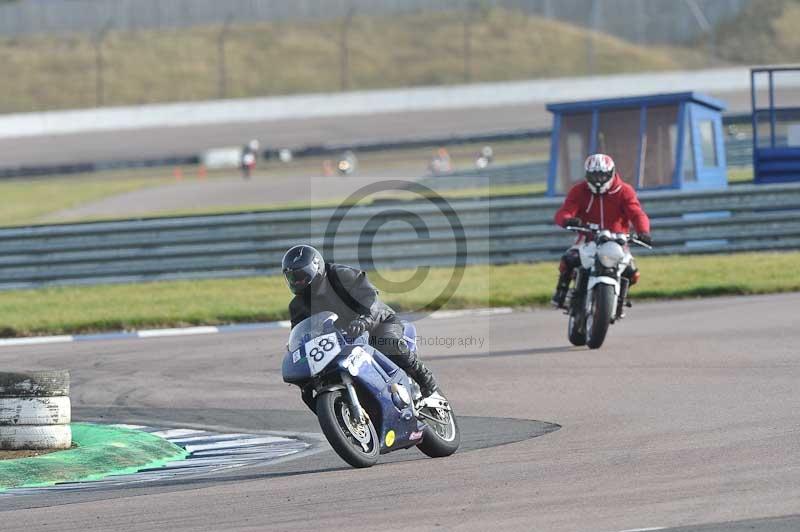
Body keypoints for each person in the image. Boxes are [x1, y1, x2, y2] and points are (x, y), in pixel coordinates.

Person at [281, 244, 439, 397]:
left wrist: (364, 320)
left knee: (387, 343)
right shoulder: (297, 306)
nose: (297, 282)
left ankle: (425, 380)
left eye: (301, 276)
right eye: (292, 278)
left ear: (316, 269)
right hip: (342, 340)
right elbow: (301, 336)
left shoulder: (340, 275)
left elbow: (370, 297)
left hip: (378, 322)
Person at [551, 153, 652, 308]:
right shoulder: (579, 191)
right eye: (594, 176)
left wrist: (643, 231)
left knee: (632, 273)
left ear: (611, 173)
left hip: (619, 241)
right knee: (569, 259)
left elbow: (637, 213)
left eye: (602, 175)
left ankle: (619, 299)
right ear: (587, 175)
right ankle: (561, 292)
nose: (598, 180)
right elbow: (565, 211)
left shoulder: (624, 191)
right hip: (588, 238)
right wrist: (567, 219)